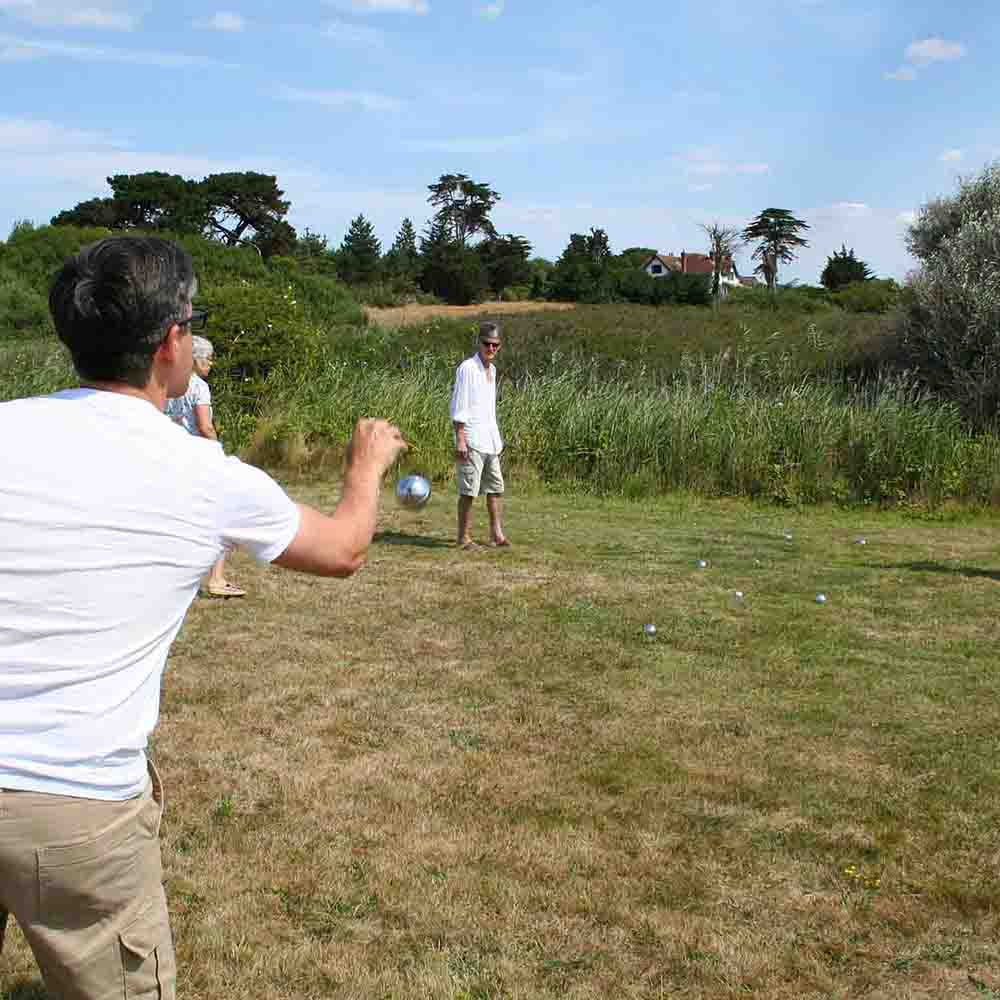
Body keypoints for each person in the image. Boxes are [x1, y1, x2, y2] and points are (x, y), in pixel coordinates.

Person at [0, 236, 406, 1000]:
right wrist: (366, 465)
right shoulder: (203, 474)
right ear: (171, 342)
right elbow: (344, 548)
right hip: (75, 806)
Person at [165, 333, 245, 597]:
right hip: (199, 459)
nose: (211, 364)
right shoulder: (198, 387)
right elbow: (205, 425)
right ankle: (217, 579)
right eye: (208, 359)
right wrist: (219, 451)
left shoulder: (166, 385)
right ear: (195, 360)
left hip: (172, 457)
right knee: (219, 515)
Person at [449, 321, 509, 550]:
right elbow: (459, 405)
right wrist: (461, 438)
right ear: (479, 343)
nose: (491, 349)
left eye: (495, 345)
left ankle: (496, 535)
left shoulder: (492, 371)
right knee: (469, 491)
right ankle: (463, 538)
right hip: (471, 438)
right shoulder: (467, 368)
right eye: (487, 344)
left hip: (490, 439)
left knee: (496, 488)